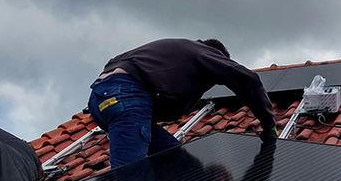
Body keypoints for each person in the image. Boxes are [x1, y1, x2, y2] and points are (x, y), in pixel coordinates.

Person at [88, 38, 278, 168]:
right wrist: (269, 124)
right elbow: (248, 80)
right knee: (130, 177)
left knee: (176, 160)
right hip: (127, 96)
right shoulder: (205, 53)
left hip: (100, 100)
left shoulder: (172, 54)